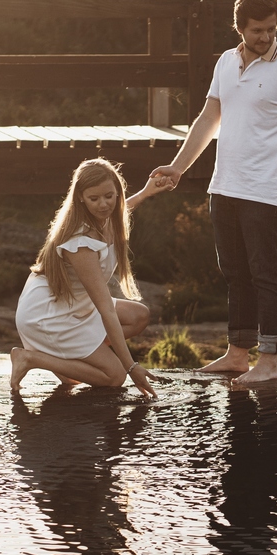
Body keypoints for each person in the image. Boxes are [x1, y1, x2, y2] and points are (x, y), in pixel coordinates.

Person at [151, 0, 277, 385]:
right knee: (234, 272)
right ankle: (237, 354)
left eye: (271, 29)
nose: (265, 37)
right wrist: (179, 167)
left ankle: (268, 363)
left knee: (265, 274)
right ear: (239, 28)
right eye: (257, 30)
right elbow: (207, 119)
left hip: (265, 191)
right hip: (224, 185)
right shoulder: (224, 63)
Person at [11, 158, 168, 398]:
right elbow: (105, 308)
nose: (103, 204)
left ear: (118, 193)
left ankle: (72, 358)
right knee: (114, 377)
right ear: (81, 198)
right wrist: (131, 366)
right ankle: (32, 358)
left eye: (109, 196)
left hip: (75, 303)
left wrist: (146, 193)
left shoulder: (107, 218)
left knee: (138, 316)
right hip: (48, 314)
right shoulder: (80, 241)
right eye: (94, 199)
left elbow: (122, 208)